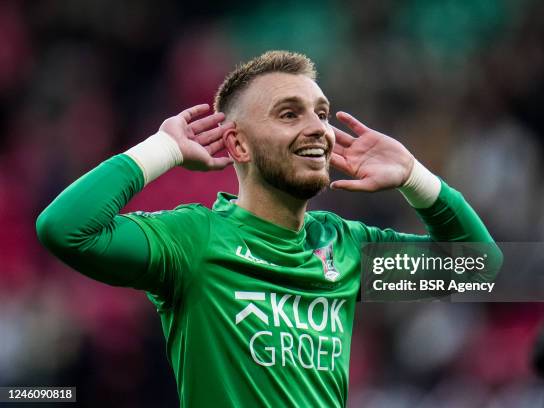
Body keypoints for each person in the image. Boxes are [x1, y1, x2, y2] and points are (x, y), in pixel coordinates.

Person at [36, 51, 499, 407]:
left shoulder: (345, 247)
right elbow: (66, 228)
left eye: (321, 112)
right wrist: (162, 149)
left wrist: (417, 178)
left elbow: (485, 271)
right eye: (289, 113)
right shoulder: (194, 242)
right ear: (237, 142)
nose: (319, 128)